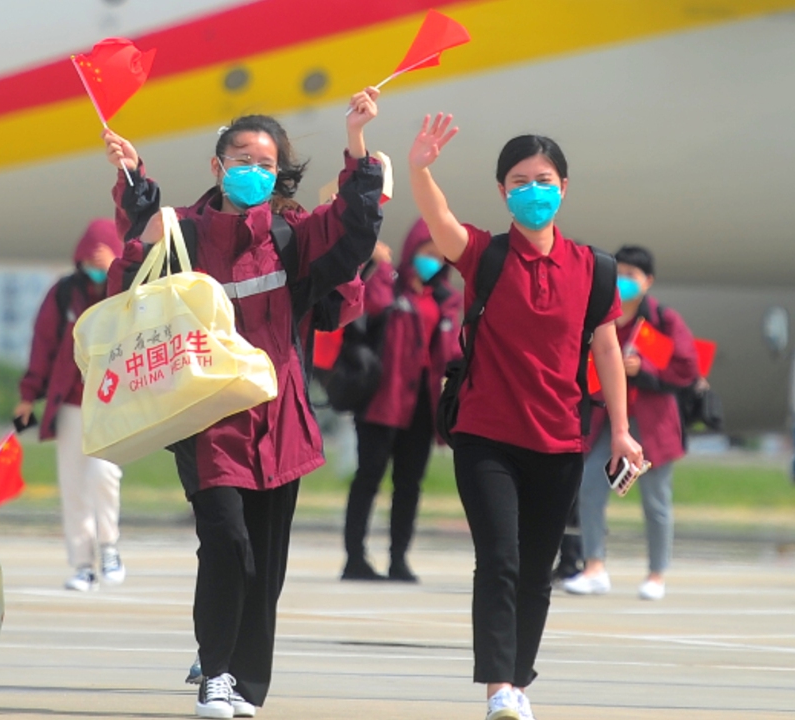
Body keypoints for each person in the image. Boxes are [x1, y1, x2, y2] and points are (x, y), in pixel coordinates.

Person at [102, 87, 384, 719]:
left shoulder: (293, 237)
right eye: (241, 159)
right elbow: (132, 287)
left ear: (278, 173)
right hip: (207, 421)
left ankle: (246, 683)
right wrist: (137, 201)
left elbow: (354, 236)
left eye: (265, 164)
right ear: (217, 165)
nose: (253, 172)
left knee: (267, 561)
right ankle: (217, 674)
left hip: (280, 419)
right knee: (226, 541)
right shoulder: (185, 231)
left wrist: (358, 145)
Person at [407, 114, 644, 720]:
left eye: (544, 179)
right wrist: (419, 168)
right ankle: (498, 689)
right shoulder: (485, 254)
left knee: (538, 570)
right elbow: (439, 222)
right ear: (502, 191)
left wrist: (619, 429)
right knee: (501, 560)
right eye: (519, 180)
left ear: (563, 187)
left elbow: (607, 348)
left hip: (561, 439)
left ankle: (519, 677)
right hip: (486, 437)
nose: (533, 189)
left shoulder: (595, 268)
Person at [564, 245, 698, 601]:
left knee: (655, 500)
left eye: (631, 275)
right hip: (607, 417)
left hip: (651, 422)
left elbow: (686, 367)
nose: (622, 282)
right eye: (617, 273)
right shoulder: (600, 316)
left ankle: (656, 574)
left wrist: (645, 370)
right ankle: (594, 566)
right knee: (590, 486)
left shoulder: (661, 321)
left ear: (648, 281)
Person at [341, 219, 461, 582]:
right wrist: (380, 264)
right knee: (369, 479)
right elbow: (372, 303)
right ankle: (355, 558)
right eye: (426, 252)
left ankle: (398, 558)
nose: (433, 260)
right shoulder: (390, 286)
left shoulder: (444, 298)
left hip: (421, 407)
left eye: (439, 254)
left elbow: (452, 350)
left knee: (409, 485)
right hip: (381, 401)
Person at [14, 220, 126, 592]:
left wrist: (116, 272)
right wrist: (28, 395)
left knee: (103, 475)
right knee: (74, 485)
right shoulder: (63, 294)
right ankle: (83, 564)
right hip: (70, 405)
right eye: (91, 258)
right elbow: (42, 344)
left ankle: (109, 547)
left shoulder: (125, 291)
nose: (96, 264)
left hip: (110, 402)